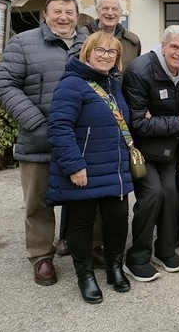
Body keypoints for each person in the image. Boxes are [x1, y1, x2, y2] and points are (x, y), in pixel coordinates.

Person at [0, 0, 86, 286]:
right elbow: (3, 84)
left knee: (87, 198)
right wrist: (36, 122)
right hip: (39, 138)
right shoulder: (23, 43)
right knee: (39, 202)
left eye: (69, 12)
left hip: (81, 138)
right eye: (57, 11)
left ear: (77, 16)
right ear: (44, 15)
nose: (63, 17)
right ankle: (41, 256)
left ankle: (89, 247)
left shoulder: (89, 43)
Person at [46, 32, 133, 303]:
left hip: (114, 167)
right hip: (84, 168)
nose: (106, 55)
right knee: (81, 222)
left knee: (118, 219)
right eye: (100, 50)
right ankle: (85, 275)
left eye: (112, 52)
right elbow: (60, 128)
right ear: (87, 52)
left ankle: (115, 268)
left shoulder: (112, 84)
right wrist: (74, 165)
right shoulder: (72, 84)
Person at [121, 25, 179, 281]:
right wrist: (177, 121)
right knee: (152, 195)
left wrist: (164, 119)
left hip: (170, 146)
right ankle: (137, 257)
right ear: (163, 47)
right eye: (174, 46)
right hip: (142, 148)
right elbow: (138, 122)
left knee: (172, 194)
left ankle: (164, 251)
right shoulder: (140, 71)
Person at [83, 0, 141, 69]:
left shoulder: (132, 42)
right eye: (105, 8)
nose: (110, 13)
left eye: (114, 9)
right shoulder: (82, 37)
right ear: (97, 11)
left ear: (120, 12)